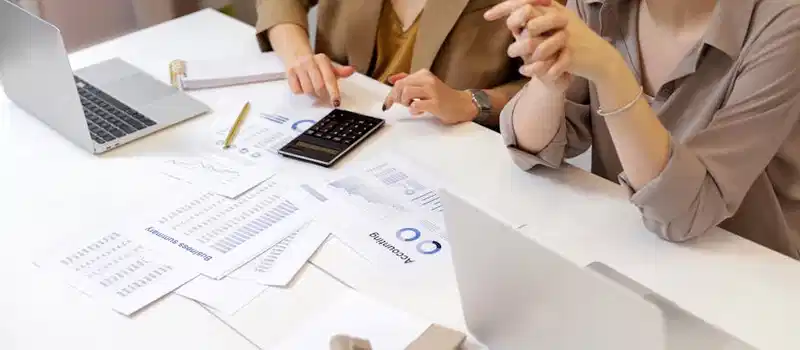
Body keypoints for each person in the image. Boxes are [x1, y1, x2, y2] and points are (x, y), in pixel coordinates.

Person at [485, 0, 800, 258]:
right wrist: (548, 79)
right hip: (627, 248)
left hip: (748, 272)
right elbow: (531, 149)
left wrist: (611, 73)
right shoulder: (598, 5)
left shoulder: (783, 23)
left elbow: (686, 212)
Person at [254, 0, 543, 127]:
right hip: (331, 118)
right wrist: (299, 56)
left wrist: (472, 103)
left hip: (446, 150)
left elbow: (557, 86)